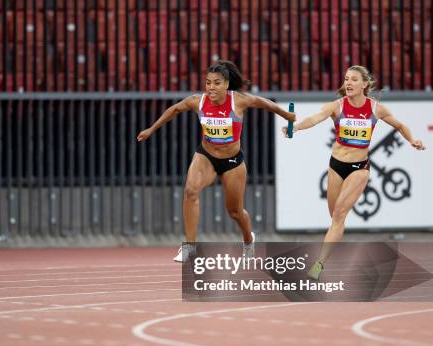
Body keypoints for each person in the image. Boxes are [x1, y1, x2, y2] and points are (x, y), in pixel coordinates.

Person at [136, 60, 296, 262]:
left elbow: (265, 103)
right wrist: (151, 129)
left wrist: (286, 115)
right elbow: (174, 109)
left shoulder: (238, 100)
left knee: (235, 212)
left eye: (217, 83)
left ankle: (248, 240)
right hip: (206, 156)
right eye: (208, 82)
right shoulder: (198, 101)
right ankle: (190, 246)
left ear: (226, 84)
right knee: (190, 191)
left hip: (232, 162)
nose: (211, 87)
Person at [283, 65, 426, 279]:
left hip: (359, 168)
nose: (348, 83)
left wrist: (412, 139)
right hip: (336, 166)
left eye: (353, 79)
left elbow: (400, 125)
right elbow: (315, 118)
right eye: (346, 79)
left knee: (340, 213)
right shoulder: (337, 106)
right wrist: (296, 127)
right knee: (334, 217)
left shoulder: (375, 109)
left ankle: (319, 265)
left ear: (364, 84)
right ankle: (336, 252)